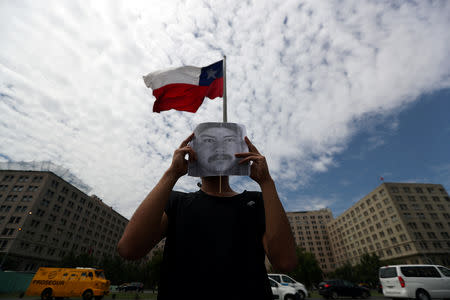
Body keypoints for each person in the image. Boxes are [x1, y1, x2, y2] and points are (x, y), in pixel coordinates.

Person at [117, 132, 297, 300]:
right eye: (207, 144)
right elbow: (129, 249)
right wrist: (171, 174)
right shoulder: (176, 202)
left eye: (227, 144)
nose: (218, 150)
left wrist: (267, 182)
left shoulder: (257, 202)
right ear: (192, 154)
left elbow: (285, 262)